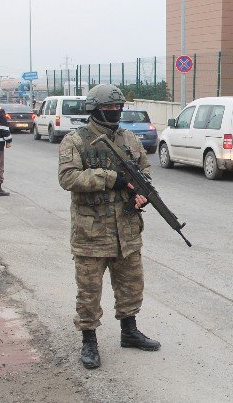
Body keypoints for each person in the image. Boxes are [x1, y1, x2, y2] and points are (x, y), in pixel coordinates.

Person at [58, 84, 160, 370]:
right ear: (95, 108)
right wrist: (109, 177)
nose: (115, 113)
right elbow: (68, 178)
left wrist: (141, 196)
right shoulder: (76, 141)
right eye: (110, 108)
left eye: (118, 108)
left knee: (131, 285)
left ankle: (129, 331)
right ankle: (89, 341)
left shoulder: (129, 138)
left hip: (126, 230)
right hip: (91, 233)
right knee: (89, 291)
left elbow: (145, 172)